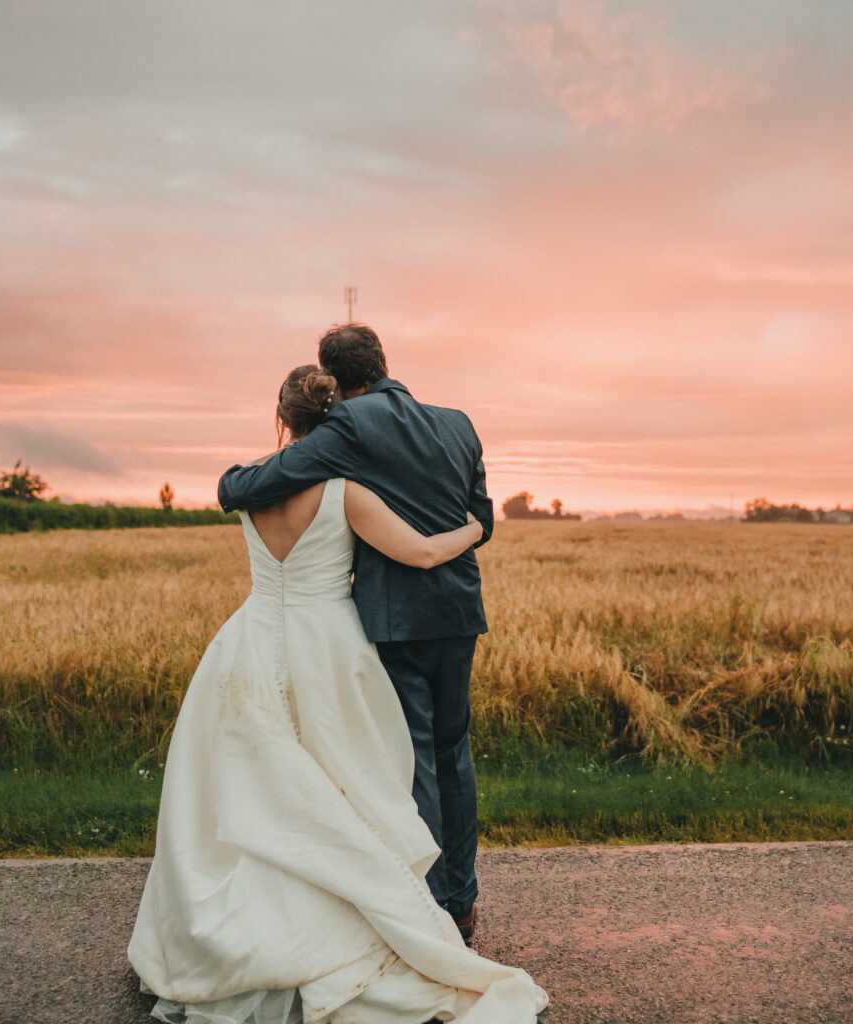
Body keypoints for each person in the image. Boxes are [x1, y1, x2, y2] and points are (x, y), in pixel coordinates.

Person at [128, 365, 547, 1024]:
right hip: (330, 648)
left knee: (253, 786)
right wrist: (473, 530)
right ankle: (375, 910)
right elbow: (423, 554)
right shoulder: (346, 492)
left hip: (250, 641)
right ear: (337, 423)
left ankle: (235, 927)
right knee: (346, 785)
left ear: (282, 418)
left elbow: (235, 487)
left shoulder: (251, 486)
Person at [217, 324, 491, 943]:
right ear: (384, 362)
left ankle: (422, 912)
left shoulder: (348, 425)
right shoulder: (459, 422)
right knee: (453, 755)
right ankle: (461, 902)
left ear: (335, 378)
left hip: (393, 620)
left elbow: (257, 485)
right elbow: (483, 518)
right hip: (458, 615)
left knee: (409, 757)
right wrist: (469, 535)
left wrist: (232, 480)